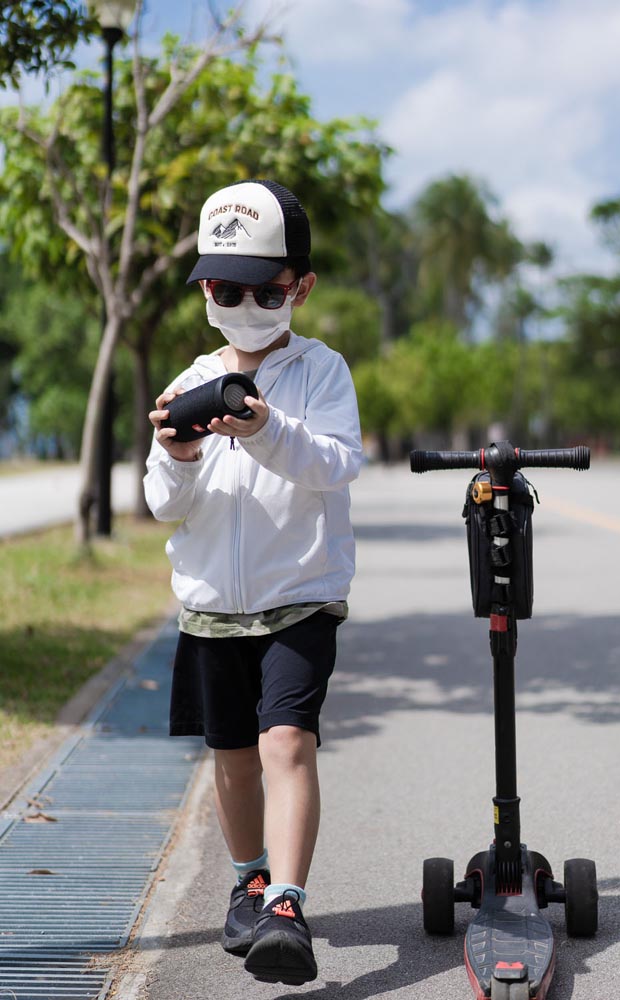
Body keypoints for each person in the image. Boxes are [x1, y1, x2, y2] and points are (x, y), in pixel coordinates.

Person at [143, 179, 362, 986]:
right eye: (226, 290)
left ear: (300, 288)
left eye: (266, 292)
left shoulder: (321, 371)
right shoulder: (191, 377)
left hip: (299, 595)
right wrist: (179, 452)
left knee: (286, 743)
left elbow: (336, 464)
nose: (244, 305)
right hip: (210, 607)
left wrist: (266, 429)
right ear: (205, 289)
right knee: (232, 756)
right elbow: (162, 504)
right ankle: (249, 883)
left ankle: (287, 904)